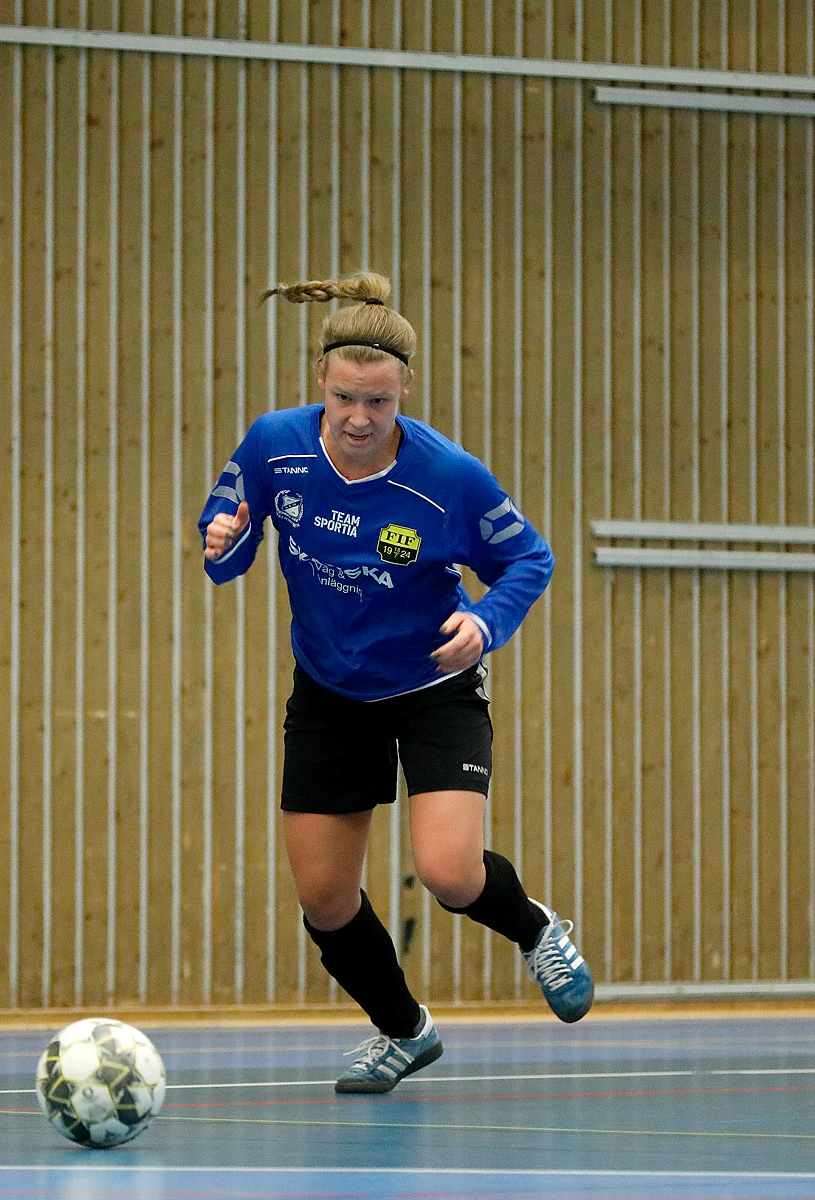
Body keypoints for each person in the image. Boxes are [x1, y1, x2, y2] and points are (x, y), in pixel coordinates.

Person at [198, 272, 593, 1094]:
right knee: (326, 903)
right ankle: (403, 1031)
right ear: (321, 382)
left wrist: (484, 624)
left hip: (432, 686)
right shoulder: (273, 444)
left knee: (450, 873)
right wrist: (225, 539)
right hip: (330, 695)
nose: (358, 419)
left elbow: (530, 559)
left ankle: (536, 929)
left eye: (378, 403)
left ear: (404, 391)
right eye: (345, 398)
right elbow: (225, 559)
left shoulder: (449, 476)